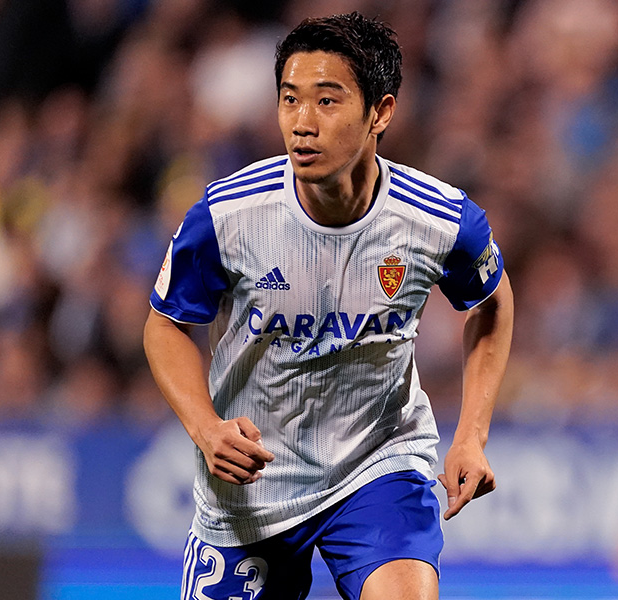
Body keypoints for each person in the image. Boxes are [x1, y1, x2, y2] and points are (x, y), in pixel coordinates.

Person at [143, 12, 514, 600]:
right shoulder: (227, 216)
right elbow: (165, 326)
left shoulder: (439, 221)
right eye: (290, 100)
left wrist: (471, 433)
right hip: (255, 480)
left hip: (378, 464)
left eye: (327, 101)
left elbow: (491, 302)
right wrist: (206, 427)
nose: (302, 123)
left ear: (380, 113)